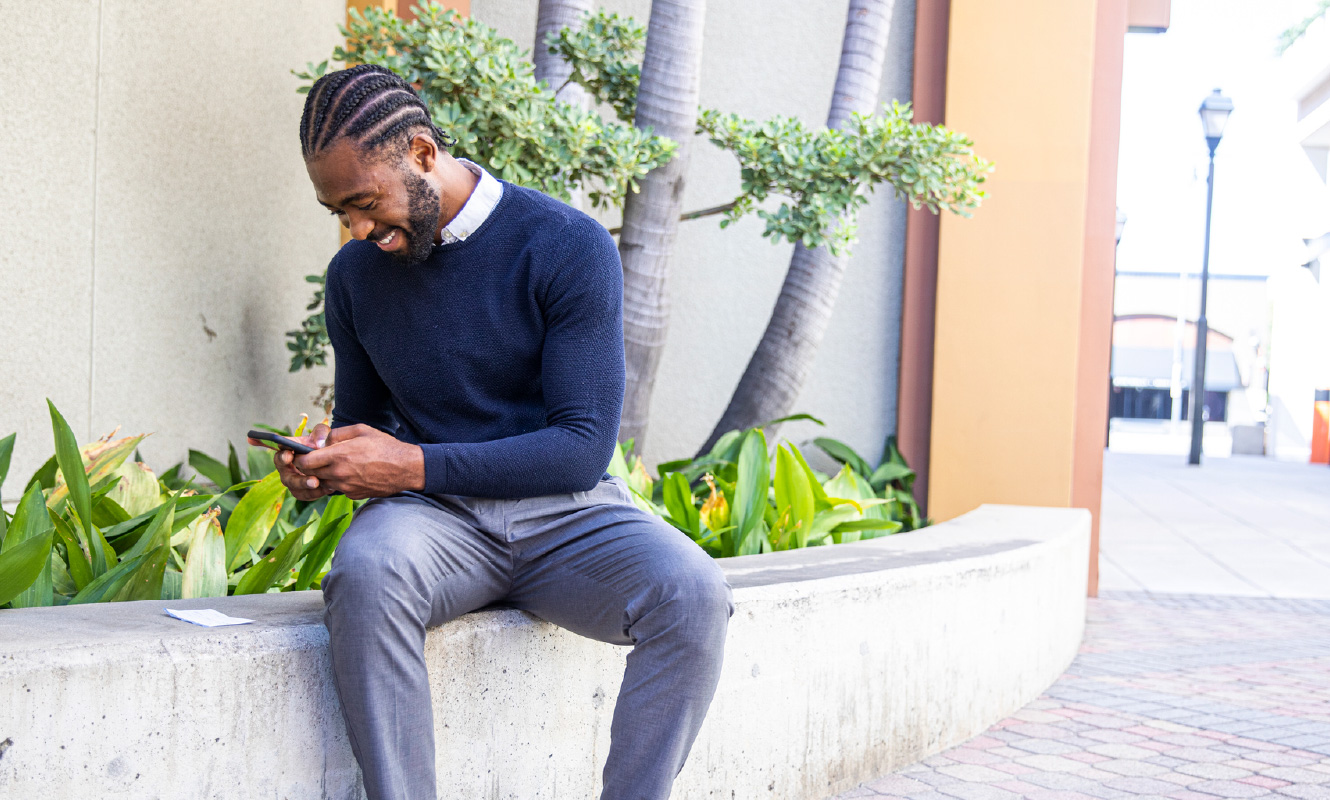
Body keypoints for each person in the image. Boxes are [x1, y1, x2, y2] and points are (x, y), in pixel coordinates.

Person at [254, 64, 733, 800]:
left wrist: (409, 465)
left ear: (420, 154)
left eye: (363, 203)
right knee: (367, 573)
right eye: (337, 212)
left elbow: (580, 449)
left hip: (568, 515)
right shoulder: (353, 278)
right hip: (436, 525)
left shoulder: (565, 245)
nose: (356, 229)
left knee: (693, 592)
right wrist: (326, 465)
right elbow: (366, 425)